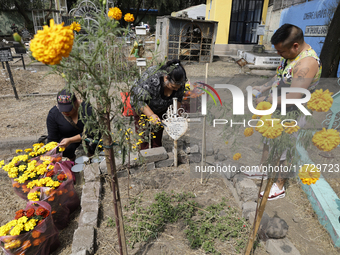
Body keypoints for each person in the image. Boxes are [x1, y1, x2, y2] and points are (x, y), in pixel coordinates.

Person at [249, 24, 322, 200]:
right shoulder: (291, 56)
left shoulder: (307, 63)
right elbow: (280, 75)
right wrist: (264, 87)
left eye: (281, 51)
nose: (279, 54)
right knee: (268, 139)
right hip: (278, 109)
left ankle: (279, 185)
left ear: (295, 45)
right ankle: (263, 170)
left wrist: (266, 101)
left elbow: (295, 96)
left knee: (285, 148)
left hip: (294, 113)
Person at [130, 59, 187, 150]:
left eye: (178, 87)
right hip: (143, 105)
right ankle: (143, 155)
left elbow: (178, 98)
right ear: (165, 78)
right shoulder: (152, 78)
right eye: (173, 87)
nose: (176, 89)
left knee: (158, 130)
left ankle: (157, 151)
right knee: (143, 132)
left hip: (161, 107)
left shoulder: (179, 82)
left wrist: (176, 115)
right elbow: (138, 100)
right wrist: (151, 115)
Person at [46, 89, 96, 161]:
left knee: (97, 141)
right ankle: (71, 159)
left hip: (87, 136)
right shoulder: (53, 114)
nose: (65, 111)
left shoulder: (86, 108)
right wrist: (49, 154)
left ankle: (91, 155)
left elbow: (91, 131)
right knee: (64, 149)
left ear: (76, 103)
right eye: (62, 109)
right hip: (67, 138)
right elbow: (52, 138)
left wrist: (70, 140)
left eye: (69, 109)